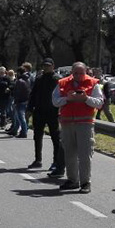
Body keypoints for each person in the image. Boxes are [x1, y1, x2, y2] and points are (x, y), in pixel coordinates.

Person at [52, 62, 103, 193]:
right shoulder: (62, 83)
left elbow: (99, 102)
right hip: (67, 123)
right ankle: (72, 180)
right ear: (72, 72)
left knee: (85, 154)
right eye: (76, 73)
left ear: (86, 72)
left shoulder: (93, 83)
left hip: (85, 124)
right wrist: (67, 99)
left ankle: (85, 182)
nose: (79, 76)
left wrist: (86, 98)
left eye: (81, 73)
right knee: (69, 153)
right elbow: (55, 101)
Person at [28, 58, 64, 174]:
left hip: (53, 112)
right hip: (39, 111)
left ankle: (56, 162)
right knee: (37, 136)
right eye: (44, 65)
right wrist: (29, 109)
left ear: (53, 66)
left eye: (48, 65)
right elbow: (33, 94)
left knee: (55, 137)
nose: (46, 67)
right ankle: (38, 159)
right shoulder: (39, 78)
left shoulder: (58, 79)